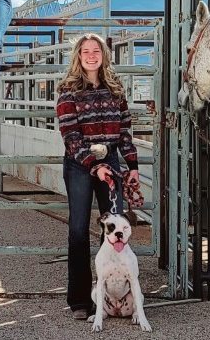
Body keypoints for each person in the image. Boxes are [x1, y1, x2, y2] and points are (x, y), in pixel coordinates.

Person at [55, 33, 139, 320]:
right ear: (78, 56)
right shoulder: (68, 91)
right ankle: (80, 300)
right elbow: (70, 135)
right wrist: (94, 165)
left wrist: (133, 166)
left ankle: (118, 295)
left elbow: (125, 131)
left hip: (111, 159)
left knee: (116, 230)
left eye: (96, 51)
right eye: (86, 51)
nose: (91, 56)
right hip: (80, 163)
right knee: (78, 229)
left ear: (104, 54)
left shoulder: (115, 89)